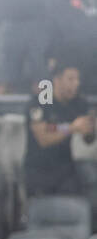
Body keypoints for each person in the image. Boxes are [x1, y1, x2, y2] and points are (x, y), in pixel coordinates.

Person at [23, 63, 95, 197]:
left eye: (78, 79)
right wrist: (72, 128)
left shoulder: (79, 102)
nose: (76, 84)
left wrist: (91, 128)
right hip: (38, 169)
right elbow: (43, 139)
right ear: (57, 80)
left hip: (66, 168)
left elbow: (88, 140)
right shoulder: (41, 102)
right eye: (71, 79)